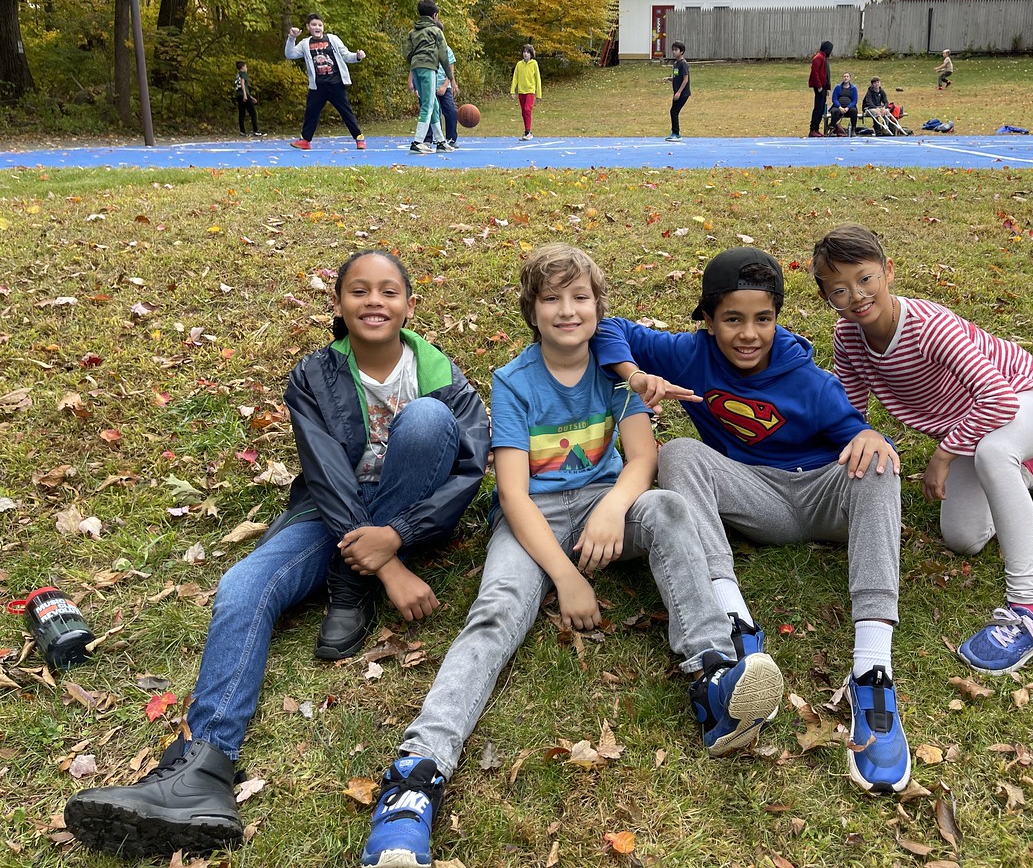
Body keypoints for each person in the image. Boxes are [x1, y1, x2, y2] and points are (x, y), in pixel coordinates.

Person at [358, 244, 784, 867]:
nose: (567, 310)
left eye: (580, 297)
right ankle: (414, 781)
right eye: (552, 299)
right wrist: (565, 578)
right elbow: (512, 492)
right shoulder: (513, 382)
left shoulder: (619, 374)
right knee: (498, 610)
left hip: (605, 507)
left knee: (668, 509)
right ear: (532, 310)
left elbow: (642, 459)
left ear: (597, 307)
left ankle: (714, 676)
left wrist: (613, 510)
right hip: (534, 520)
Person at [62, 251, 490, 858]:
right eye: (359, 290)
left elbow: (468, 467)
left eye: (389, 291)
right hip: (328, 514)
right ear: (338, 305)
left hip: (410, 517)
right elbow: (325, 473)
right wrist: (384, 566)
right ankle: (204, 767)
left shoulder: (443, 374)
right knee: (243, 584)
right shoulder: (314, 375)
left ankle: (351, 588)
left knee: (425, 421)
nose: (375, 301)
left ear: (408, 305)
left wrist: (396, 539)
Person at [592, 247, 912, 796]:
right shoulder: (689, 355)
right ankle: (735, 622)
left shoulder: (807, 379)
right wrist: (636, 375)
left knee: (879, 463)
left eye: (762, 319)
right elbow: (607, 329)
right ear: (709, 320)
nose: (748, 333)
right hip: (753, 497)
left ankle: (872, 672)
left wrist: (866, 435)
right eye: (732, 319)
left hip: (818, 494)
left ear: (777, 318)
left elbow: (852, 433)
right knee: (680, 455)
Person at [811, 225, 1033, 675]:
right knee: (963, 538)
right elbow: (851, 409)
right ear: (828, 298)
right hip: (975, 428)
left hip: (1029, 398)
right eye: (839, 290)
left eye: (865, 279)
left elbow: (998, 398)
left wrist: (943, 455)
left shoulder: (929, 326)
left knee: (995, 454)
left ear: (888, 272)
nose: (857, 296)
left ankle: (1031, 611)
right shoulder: (848, 337)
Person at [285, 13, 367, 150]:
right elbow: (290, 54)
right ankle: (305, 140)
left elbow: (346, 55)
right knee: (311, 112)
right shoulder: (305, 43)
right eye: (313, 25)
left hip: (336, 84)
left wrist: (357, 56)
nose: (317, 27)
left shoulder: (332, 39)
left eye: (319, 25)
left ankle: (359, 138)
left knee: (346, 112)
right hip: (317, 86)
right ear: (308, 27)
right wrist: (292, 38)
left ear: (323, 27)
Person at [405, 0, 455, 154]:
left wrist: (414, 63)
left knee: (433, 103)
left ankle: (440, 141)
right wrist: (450, 77)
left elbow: (407, 53)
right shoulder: (436, 31)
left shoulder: (413, 32)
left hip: (416, 67)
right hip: (428, 68)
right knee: (428, 104)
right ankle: (417, 142)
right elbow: (444, 55)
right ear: (435, 15)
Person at [510, 43, 542, 141]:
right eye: (524, 52)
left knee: (528, 109)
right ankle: (527, 131)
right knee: (524, 112)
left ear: (531, 54)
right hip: (521, 92)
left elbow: (537, 79)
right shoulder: (519, 64)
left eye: (528, 52)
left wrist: (539, 94)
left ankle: (528, 132)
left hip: (530, 91)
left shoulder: (534, 64)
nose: (525, 54)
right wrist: (512, 91)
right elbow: (515, 78)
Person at [808, 40, 833, 137]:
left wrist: (827, 88)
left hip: (823, 87)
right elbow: (815, 73)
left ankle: (816, 128)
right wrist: (819, 86)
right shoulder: (818, 58)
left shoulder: (823, 58)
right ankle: (813, 129)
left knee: (821, 108)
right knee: (818, 108)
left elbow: (827, 74)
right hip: (819, 87)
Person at [667, 40, 690, 142]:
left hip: (683, 93)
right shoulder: (676, 63)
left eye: (676, 50)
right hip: (676, 92)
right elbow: (677, 77)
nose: (674, 52)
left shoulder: (683, 64)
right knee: (673, 111)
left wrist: (679, 92)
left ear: (681, 51)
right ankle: (674, 132)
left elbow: (685, 79)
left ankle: (676, 134)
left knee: (674, 111)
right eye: (673, 50)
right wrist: (670, 79)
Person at [437, 43, 459, 147]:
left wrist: (446, 86)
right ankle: (437, 139)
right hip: (431, 86)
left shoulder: (446, 50)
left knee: (451, 111)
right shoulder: (427, 49)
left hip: (444, 85)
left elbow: (450, 69)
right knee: (434, 113)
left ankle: (451, 139)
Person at [232, 61, 263, 137]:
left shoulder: (237, 75)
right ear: (242, 67)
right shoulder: (243, 74)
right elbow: (242, 84)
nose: (246, 68)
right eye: (245, 66)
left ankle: (242, 131)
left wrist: (251, 97)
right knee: (253, 112)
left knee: (242, 113)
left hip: (238, 95)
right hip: (243, 95)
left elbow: (240, 86)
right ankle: (256, 130)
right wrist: (245, 95)